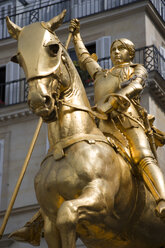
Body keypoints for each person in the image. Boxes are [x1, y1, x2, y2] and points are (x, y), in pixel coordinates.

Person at [69, 19, 165, 218]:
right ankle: (44, 214)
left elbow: (137, 85)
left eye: (121, 49)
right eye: (113, 49)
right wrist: (77, 36)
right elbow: (85, 58)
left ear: (129, 53)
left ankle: (162, 200)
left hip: (128, 121)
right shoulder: (101, 74)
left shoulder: (136, 68)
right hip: (101, 123)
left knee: (142, 156)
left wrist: (118, 98)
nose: (116, 52)